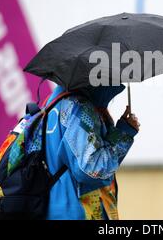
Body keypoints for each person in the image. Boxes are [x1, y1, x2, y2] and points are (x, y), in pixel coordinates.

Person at [43, 83, 140, 220]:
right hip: (77, 212)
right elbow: (92, 170)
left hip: (56, 208)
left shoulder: (54, 101)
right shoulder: (79, 107)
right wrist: (124, 133)